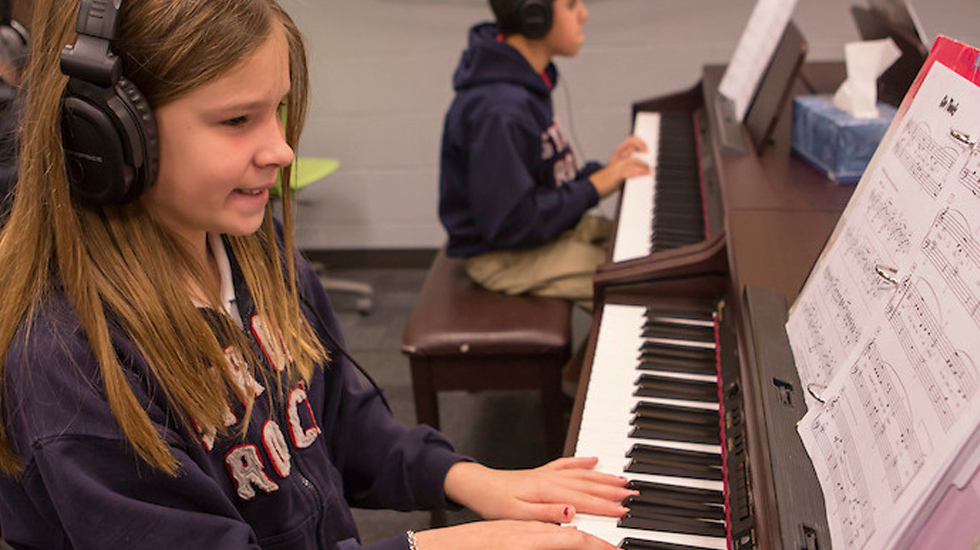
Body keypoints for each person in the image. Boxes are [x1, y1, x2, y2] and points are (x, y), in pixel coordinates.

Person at [0, 1, 635, 549]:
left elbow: (340, 418)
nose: (282, 149)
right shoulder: (66, 364)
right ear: (104, 140)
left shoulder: (254, 251)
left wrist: (475, 480)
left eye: (277, 109)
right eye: (237, 120)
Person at [439, 0, 650, 306]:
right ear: (535, 18)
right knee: (639, 288)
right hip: (505, 256)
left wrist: (604, 172)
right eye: (571, 4)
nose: (584, 14)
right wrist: (595, 185)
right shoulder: (499, 109)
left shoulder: (524, 81)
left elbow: (541, 179)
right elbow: (511, 223)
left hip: (540, 234)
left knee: (649, 255)